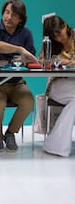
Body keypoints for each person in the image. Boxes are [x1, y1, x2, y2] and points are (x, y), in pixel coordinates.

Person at [0, 0, 38, 152]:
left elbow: (30, 56)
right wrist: (19, 50)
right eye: (6, 12)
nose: (8, 17)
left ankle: (10, 133)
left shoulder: (26, 33)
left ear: (21, 19)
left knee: (28, 101)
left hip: (16, 83)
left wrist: (22, 57)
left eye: (14, 14)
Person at [42, 15, 75, 157]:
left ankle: (55, 145)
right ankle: (54, 145)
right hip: (58, 85)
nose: (58, 39)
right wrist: (66, 62)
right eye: (54, 36)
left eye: (59, 34)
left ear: (65, 26)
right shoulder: (49, 43)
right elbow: (43, 61)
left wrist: (63, 61)